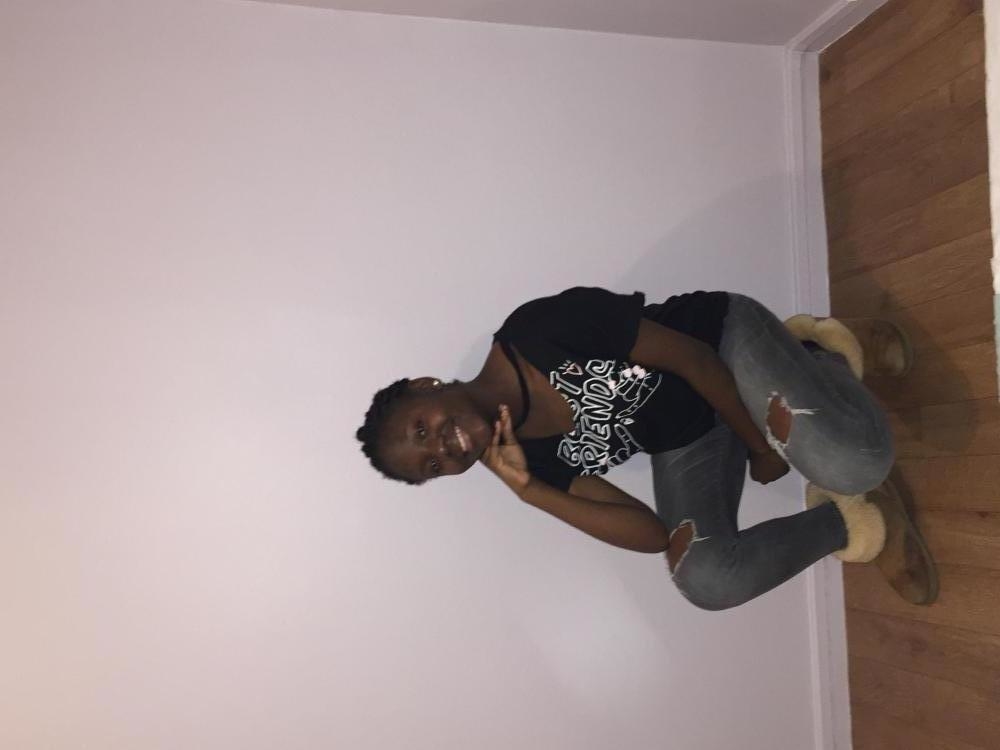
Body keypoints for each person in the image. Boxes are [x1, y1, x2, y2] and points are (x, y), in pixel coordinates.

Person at [356, 287, 937, 608]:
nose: (443, 449)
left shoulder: (537, 330)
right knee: (705, 578)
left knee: (851, 460)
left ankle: (819, 353)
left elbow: (692, 357)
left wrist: (759, 447)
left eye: (422, 429)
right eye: (432, 465)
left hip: (722, 343)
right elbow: (653, 535)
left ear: (426, 386)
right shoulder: (521, 463)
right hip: (691, 437)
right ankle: (856, 518)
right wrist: (532, 492)